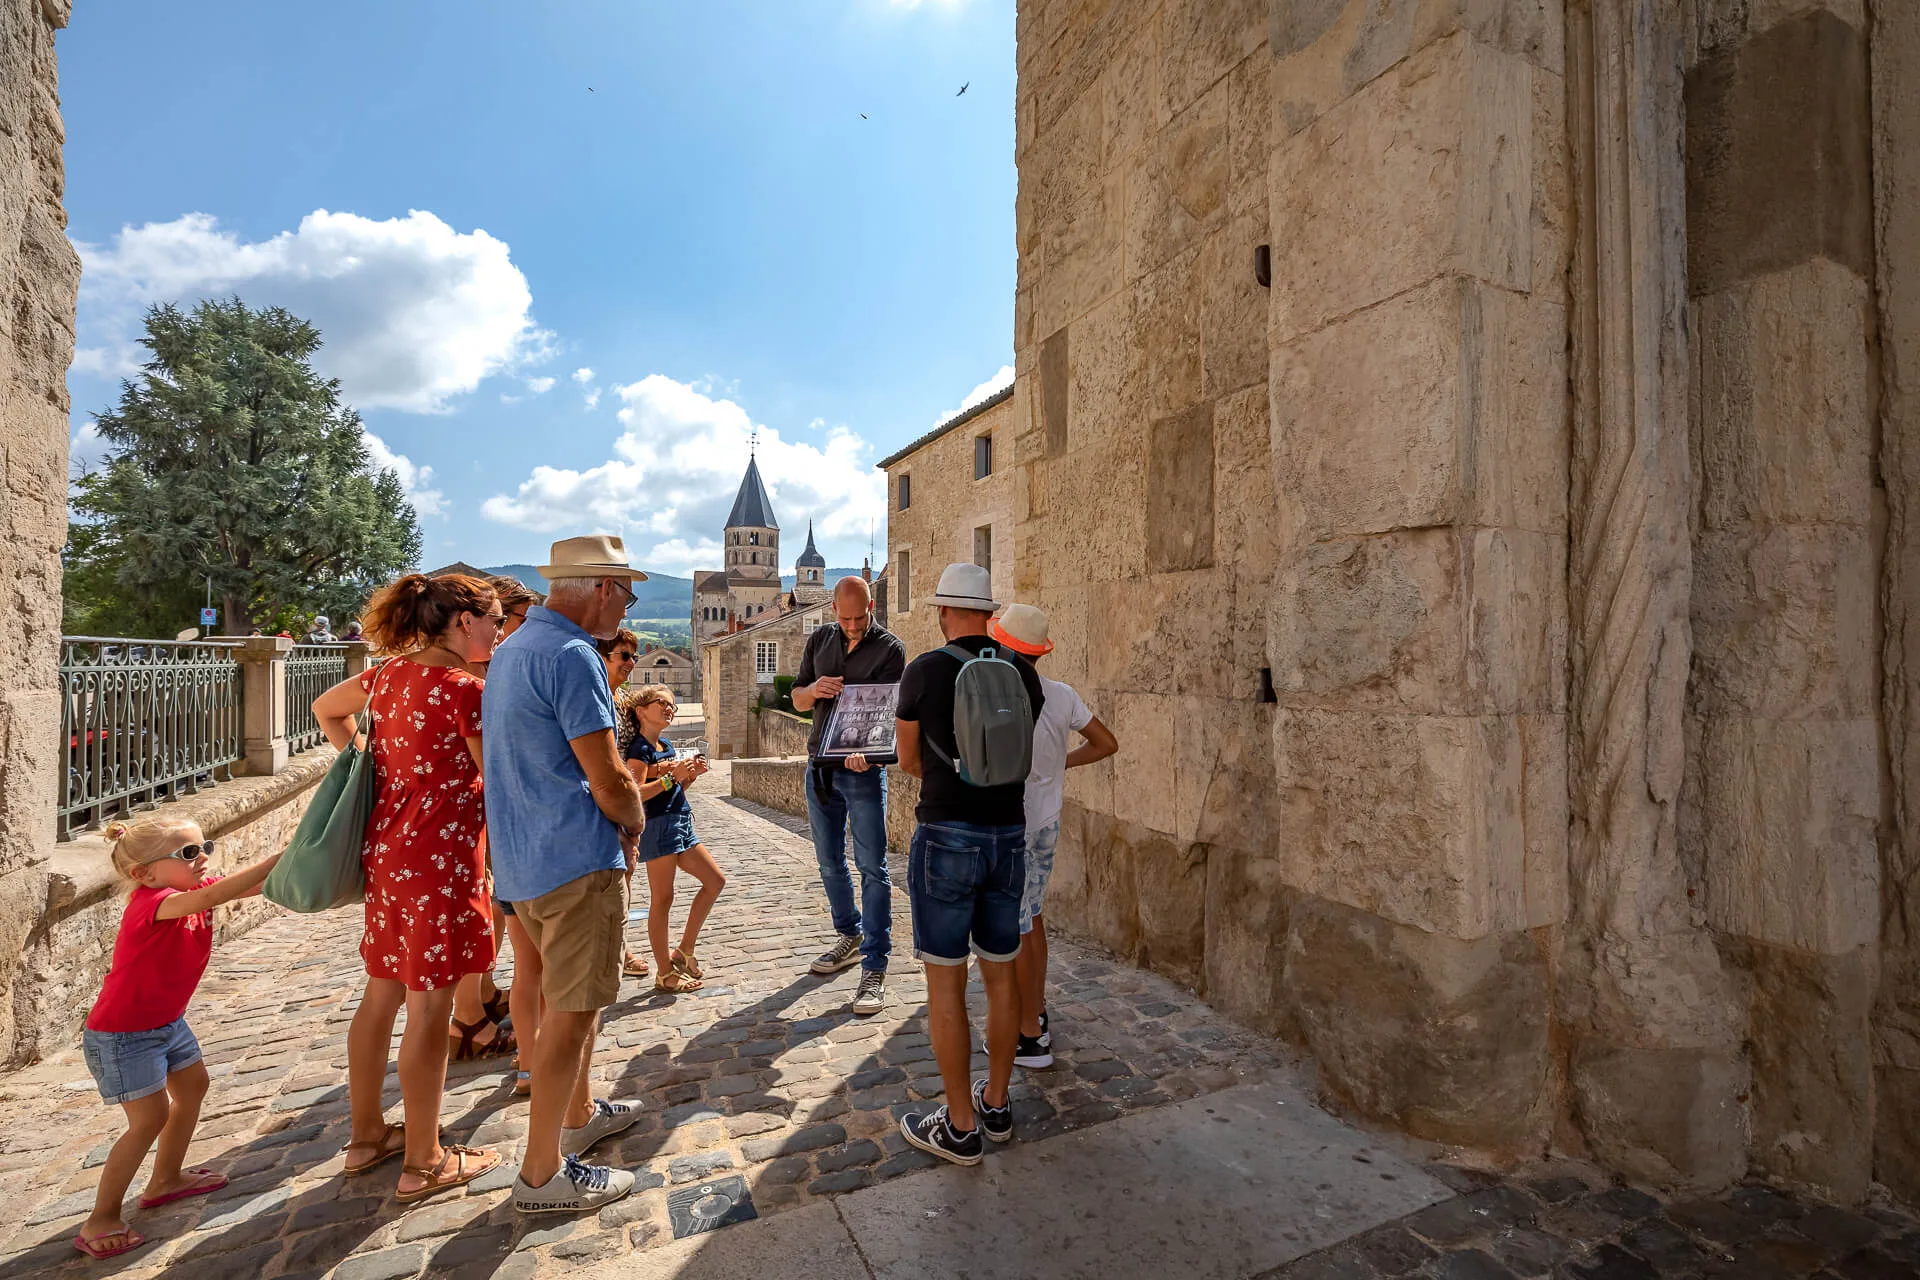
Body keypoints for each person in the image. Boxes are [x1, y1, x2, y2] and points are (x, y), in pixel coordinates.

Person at [311, 572, 506, 1203]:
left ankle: (367, 1135)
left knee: (382, 994)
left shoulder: (389, 675)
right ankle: (424, 1161)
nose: (499, 632)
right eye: (495, 620)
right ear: (462, 623)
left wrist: (374, 768)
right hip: (442, 860)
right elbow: (497, 785)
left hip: (390, 851)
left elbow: (325, 709)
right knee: (431, 1008)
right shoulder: (461, 690)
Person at [483, 534, 649, 1214]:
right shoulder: (574, 654)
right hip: (575, 859)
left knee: (562, 1001)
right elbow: (608, 775)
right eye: (627, 591)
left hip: (523, 861)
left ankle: (580, 1113)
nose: (628, 605)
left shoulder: (512, 649)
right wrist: (635, 824)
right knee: (573, 1018)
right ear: (602, 588)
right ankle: (541, 1174)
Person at [73, 819, 282, 1259]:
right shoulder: (154, 902)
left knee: (193, 1088)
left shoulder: (191, 894)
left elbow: (253, 886)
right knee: (148, 1119)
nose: (202, 856)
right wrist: (280, 856)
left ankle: (165, 1180)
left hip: (167, 1023)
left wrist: (309, 858)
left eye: (204, 845)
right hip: (123, 1035)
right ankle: (102, 1216)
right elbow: (212, 896)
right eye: (188, 853)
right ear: (143, 874)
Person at [894, 563, 1044, 1166]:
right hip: (1009, 834)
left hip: (947, 837)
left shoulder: (925, 671)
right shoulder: (1024, 675)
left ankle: (959, 1126)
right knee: (1002, 976)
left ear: (943, 612)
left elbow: (907, 759)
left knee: (945, 982)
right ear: (989, 613)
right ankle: (999, 1104)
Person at [986, 603, 1118, 1069]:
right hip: (1046, 822)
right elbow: (1106, 743)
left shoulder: (1000, 699)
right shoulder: (1061, 695)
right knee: (1033, 917)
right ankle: (1035, 1012)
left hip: (1013, 823)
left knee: (1016, 927)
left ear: (1003, 646)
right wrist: (1063, 761)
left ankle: (1029, 1035)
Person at [792, 576, 905, 1015]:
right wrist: (814, 690)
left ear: (871, 605)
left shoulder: (890, 649)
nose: (854, 625)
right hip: (819, 769)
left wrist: (871, 756)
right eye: (846, 617)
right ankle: (850, 934)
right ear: (833, 610)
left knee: (873, 868)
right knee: (827, 861)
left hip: (861, 774)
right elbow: (799, 698)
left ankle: (875, 964)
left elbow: (890, 716)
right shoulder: (820, 639)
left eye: (860, 617)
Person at [483, 574, 545, 1094]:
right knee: (541, 964)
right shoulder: (489, 678)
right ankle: (539, 1066)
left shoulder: (487, 672)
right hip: (524, 832)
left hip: (499, 836)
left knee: (527, 962)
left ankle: (526, 1061)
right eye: (516, 620)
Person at [624, 684, 723, 992]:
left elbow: (674, 790)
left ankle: (684, 951)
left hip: (681, 821)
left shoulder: (665, 744)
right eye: (662, 703)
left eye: (672, 705)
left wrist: (688, 777)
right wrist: (670, 777)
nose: (669, 708)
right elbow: (636, 794)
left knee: (715, 881)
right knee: (663, 900)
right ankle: (665, 973)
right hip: (658, 826)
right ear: (641, 711)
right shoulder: (638, 749)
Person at [595, 628, 650, 980]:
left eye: (633, 656)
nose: (631, 662)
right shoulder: (601, 698)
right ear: (604, 657)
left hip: (625, 800)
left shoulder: (619, 700)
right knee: (614, 882)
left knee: (624, 880)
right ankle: (617, 950)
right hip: (608, 801)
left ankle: (618, 946)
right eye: (624, 656)